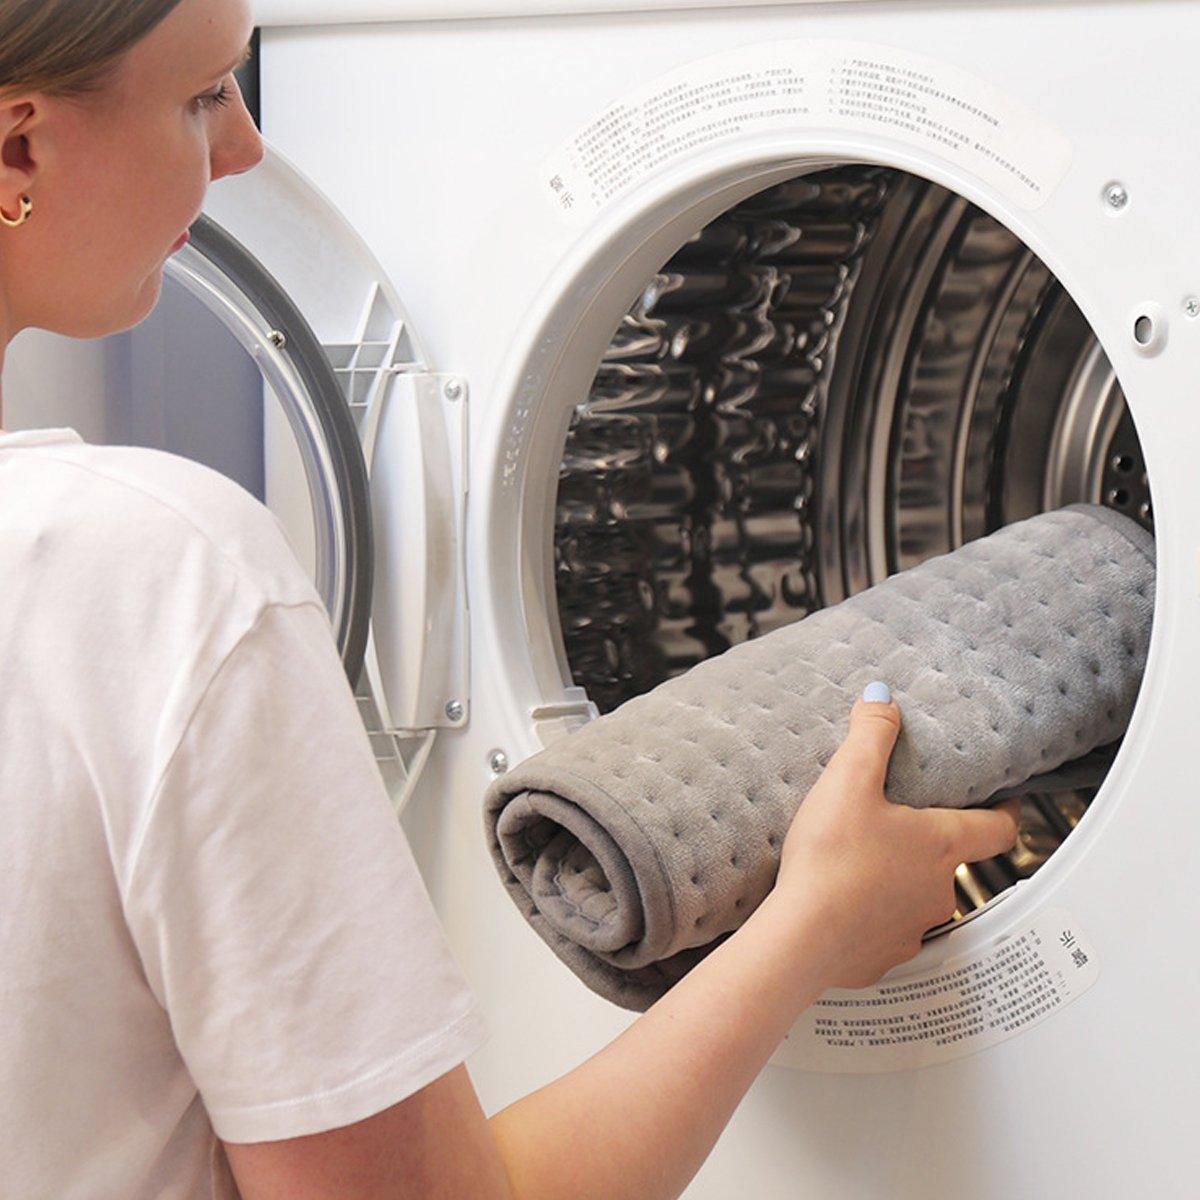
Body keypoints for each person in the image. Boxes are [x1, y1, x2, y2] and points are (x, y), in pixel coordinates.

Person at [0, 1, 1021, 1197]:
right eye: (202, 96)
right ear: (20, 147)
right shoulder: (153, 573)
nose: (244, 147)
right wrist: (810, 930)